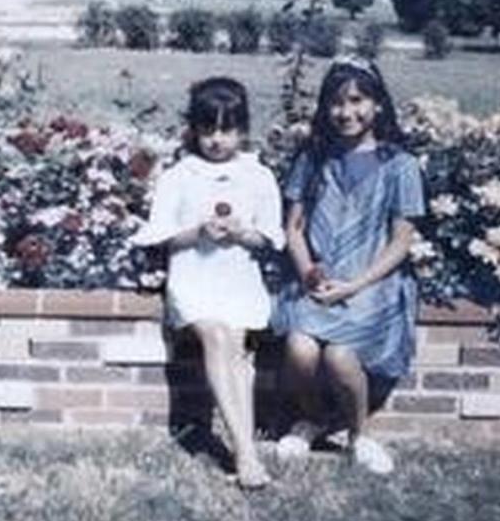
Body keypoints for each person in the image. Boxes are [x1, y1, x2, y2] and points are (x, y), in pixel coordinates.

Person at [273, 57, 425, 475]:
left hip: (371, 283)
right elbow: (294, 228)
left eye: (357, 100)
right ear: (325, 108)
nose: (347, 112)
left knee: (340, 356)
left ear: (377, 104)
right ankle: (313, 419)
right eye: (336, 103)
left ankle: (359, 435)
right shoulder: (313, 158)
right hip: (316, 281)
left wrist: (353, 285)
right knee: (299, 348)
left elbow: (401, 241)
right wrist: (307, 272)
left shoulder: (400, 165)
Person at [132, 77, 285, 489]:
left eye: (227, 130)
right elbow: (160, 237)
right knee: (216, 336)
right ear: (195, 128)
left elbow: (270, 238)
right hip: (194, 277)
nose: (217, 140)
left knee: (235, 344)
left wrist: (240, 232)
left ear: (242, 129)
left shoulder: (257, 175)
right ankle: (246, 454)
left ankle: (243, 449)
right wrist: (197, 231)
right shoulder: (181, 174)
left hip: (237, 277)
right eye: (208, 129)